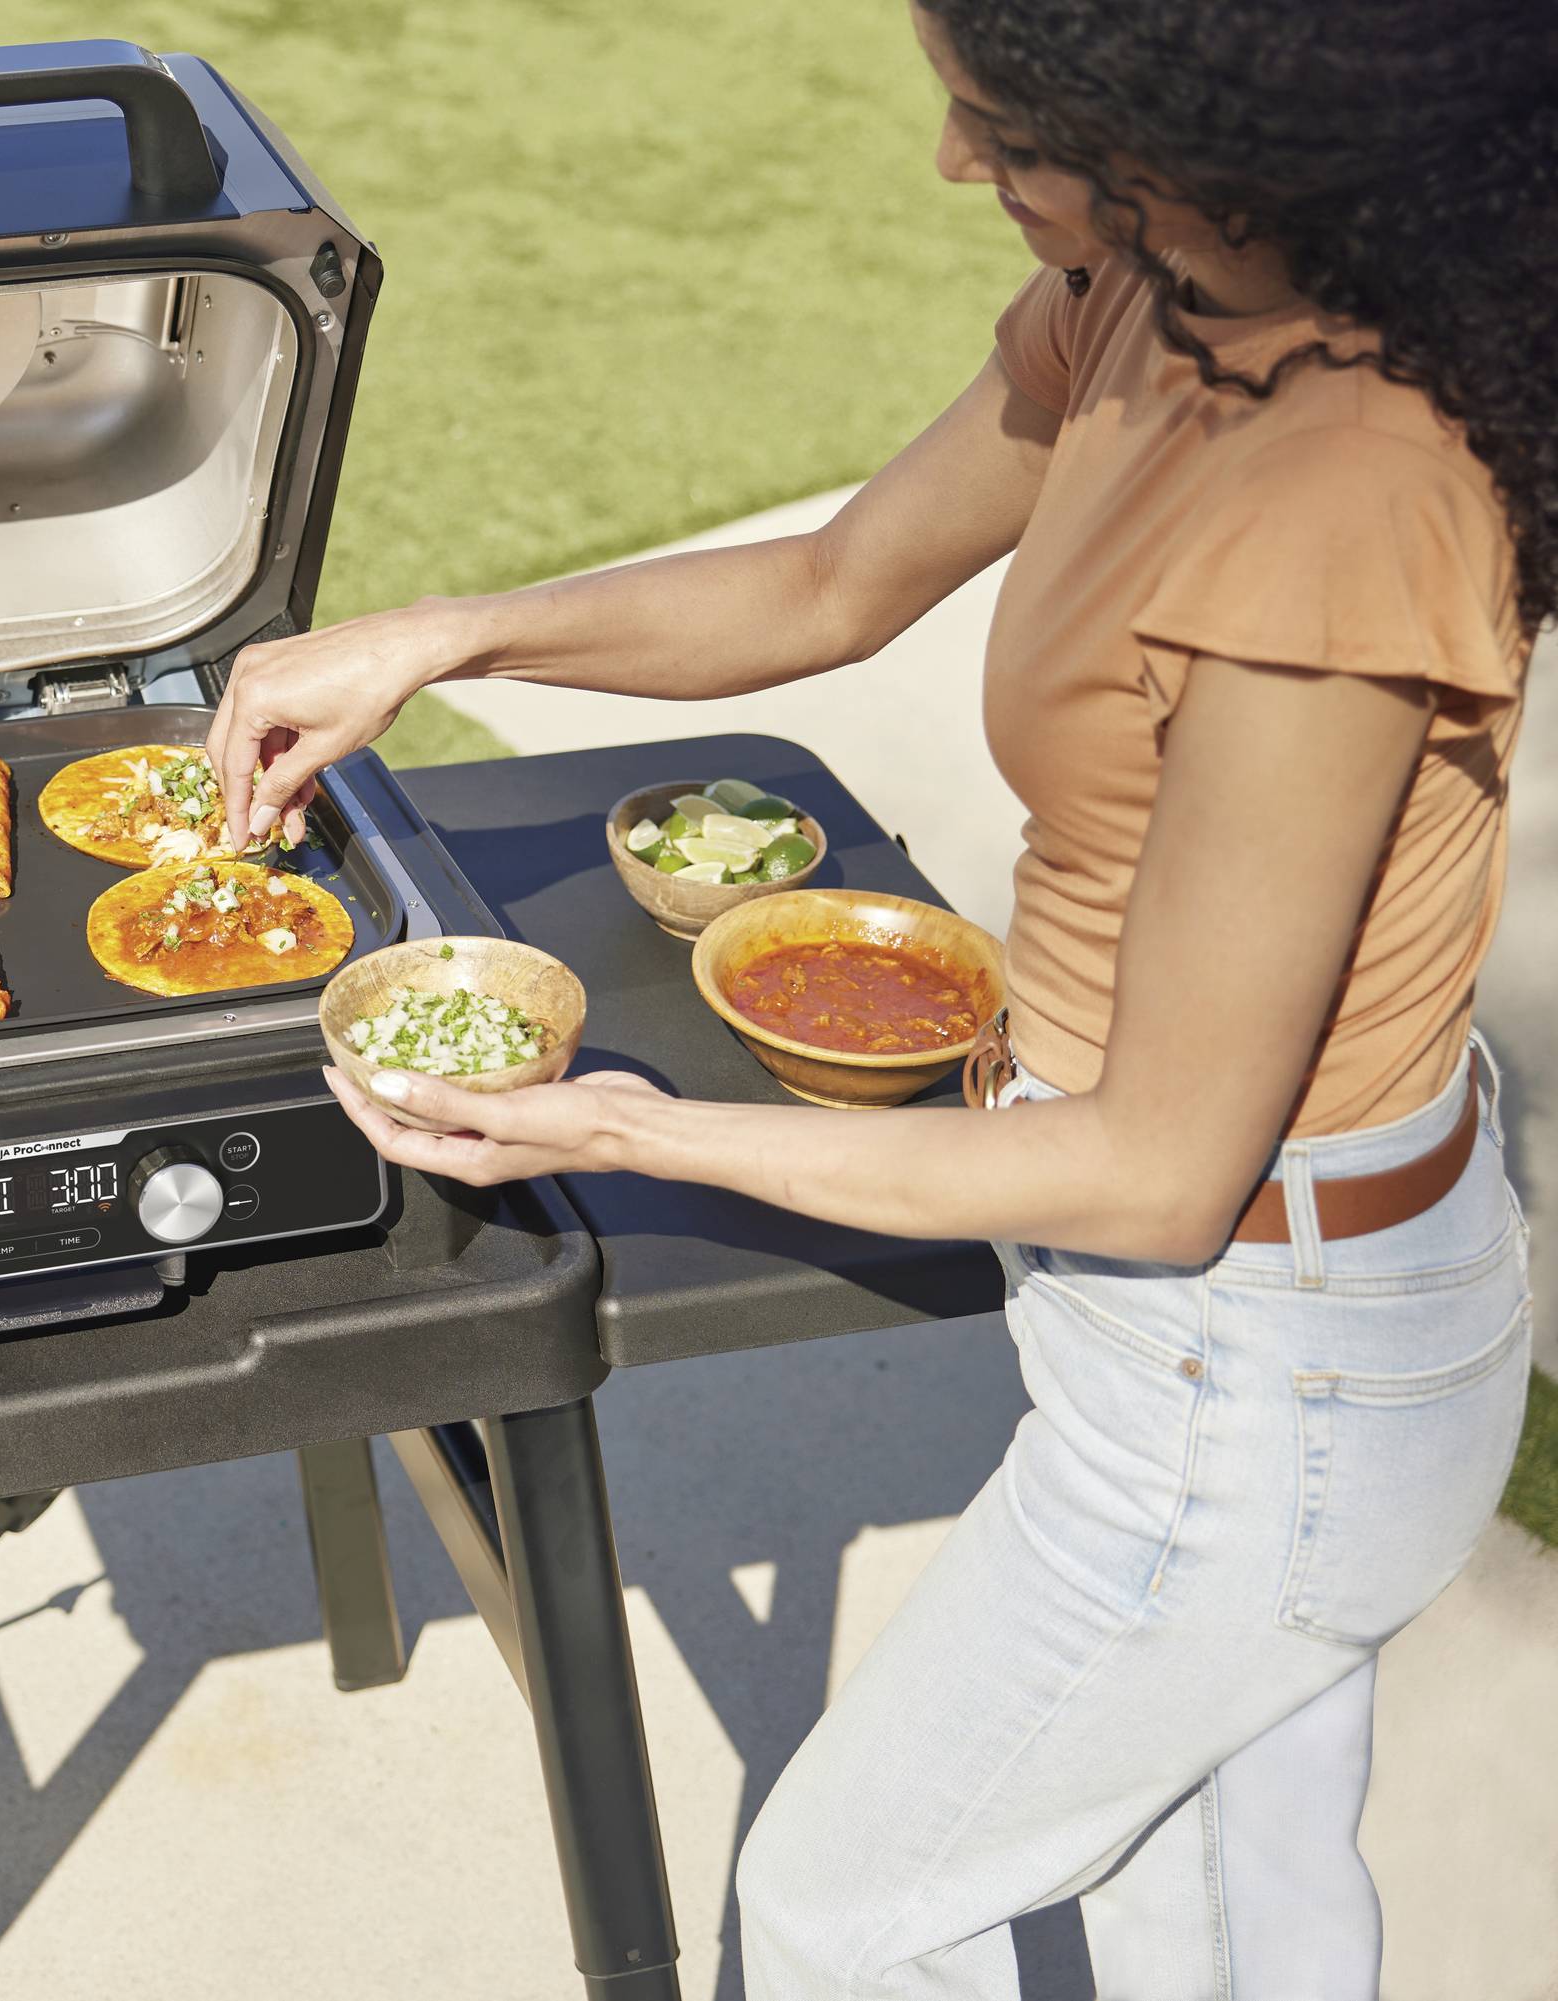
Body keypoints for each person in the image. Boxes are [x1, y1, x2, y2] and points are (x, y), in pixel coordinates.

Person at [209, 3, 1549, 1993]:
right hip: (1206, 1317)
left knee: (852, 1904)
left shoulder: (1341, 501)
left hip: (1271, 1362)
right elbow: (832, 583)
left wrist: (625, 1129)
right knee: (1230, 1904)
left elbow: (1163, 1165)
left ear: (1187, 136)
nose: (947, 160)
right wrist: (449, 632)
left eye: (1003, 124)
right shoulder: (1137, 308)